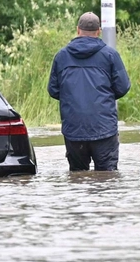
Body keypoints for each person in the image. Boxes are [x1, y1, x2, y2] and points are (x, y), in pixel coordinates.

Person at [48, 12, 131, 171]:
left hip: (74, 129)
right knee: (107, 179)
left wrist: (72, 99)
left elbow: (53, 90)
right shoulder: (110, 55)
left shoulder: (61, 56)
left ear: (78, 30)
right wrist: (104, 99)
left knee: (77, 179)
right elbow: (123, 87)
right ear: (98, 31)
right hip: (104, 128)